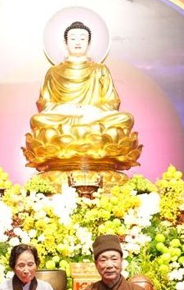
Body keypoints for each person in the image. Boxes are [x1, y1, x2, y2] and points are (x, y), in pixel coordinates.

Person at [23, 21, 142, 175]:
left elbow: (112, 101)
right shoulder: (53, 72)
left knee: (125, 118)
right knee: (38, 120)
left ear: (89, 43)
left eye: (82, 38)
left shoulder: (100, 70)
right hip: (64, 117)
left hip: (93, 116)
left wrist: (92, 110)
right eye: (73, 38)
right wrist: (65, 108)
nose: (77, 42)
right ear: (66, 43)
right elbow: (44, 103)